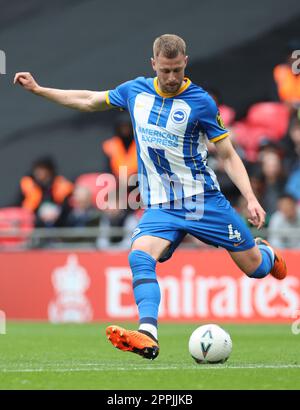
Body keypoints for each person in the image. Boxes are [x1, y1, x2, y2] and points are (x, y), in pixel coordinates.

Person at [14, 33, 287, 361]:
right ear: (153, 64)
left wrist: (251, 198)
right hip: (161, 206)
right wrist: (39, 90)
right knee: (139, 256)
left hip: (204, 202)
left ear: (185, 63)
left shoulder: (200, 102)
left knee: (255, 269)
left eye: (176, 70)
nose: (171, 78)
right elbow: (88, 100)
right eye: (165, 71)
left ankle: (265, 254)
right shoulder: (135, 91)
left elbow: (227, 155)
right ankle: (147, 333)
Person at [16, 157, 73, 228]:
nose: (38, 172)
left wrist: (56, 212)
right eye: (36, 169)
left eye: (42, 169)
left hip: (59, 222)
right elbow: (19, 204)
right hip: (35, 222)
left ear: (49, 170)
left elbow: (67, 206)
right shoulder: (28, 183)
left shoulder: (62, 184)